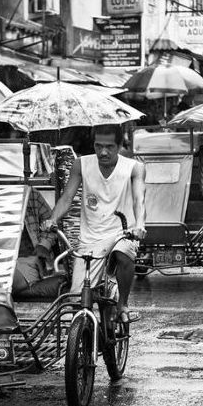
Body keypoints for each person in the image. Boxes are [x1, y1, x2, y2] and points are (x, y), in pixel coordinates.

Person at [42, 124, 146, 323]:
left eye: (109, 147)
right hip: (90, 238)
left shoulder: (134, 168)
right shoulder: (81, 164)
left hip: (122, 233)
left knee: (123, 255)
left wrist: (139, 224)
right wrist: (53, 219)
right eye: (98, 146)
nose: (103, 152)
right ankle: (83, 339)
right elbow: (66, 198)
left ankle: (123, 303)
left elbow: (139, 199)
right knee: (76, 299)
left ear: (119, 146)